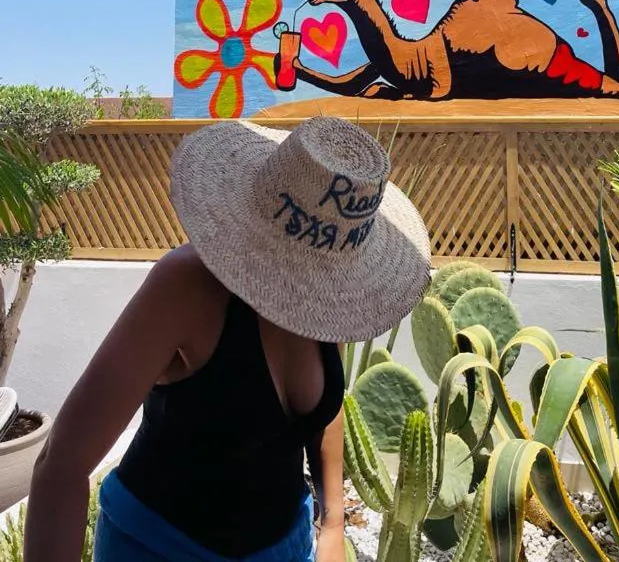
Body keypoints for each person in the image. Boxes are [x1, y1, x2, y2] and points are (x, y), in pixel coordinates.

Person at [24, 116, 431, 562]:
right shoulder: (186, 287)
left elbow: (322, 415)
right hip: (158, 546)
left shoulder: (330, 297)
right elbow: (60, 466)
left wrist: (331, 520)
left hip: (286, 545)